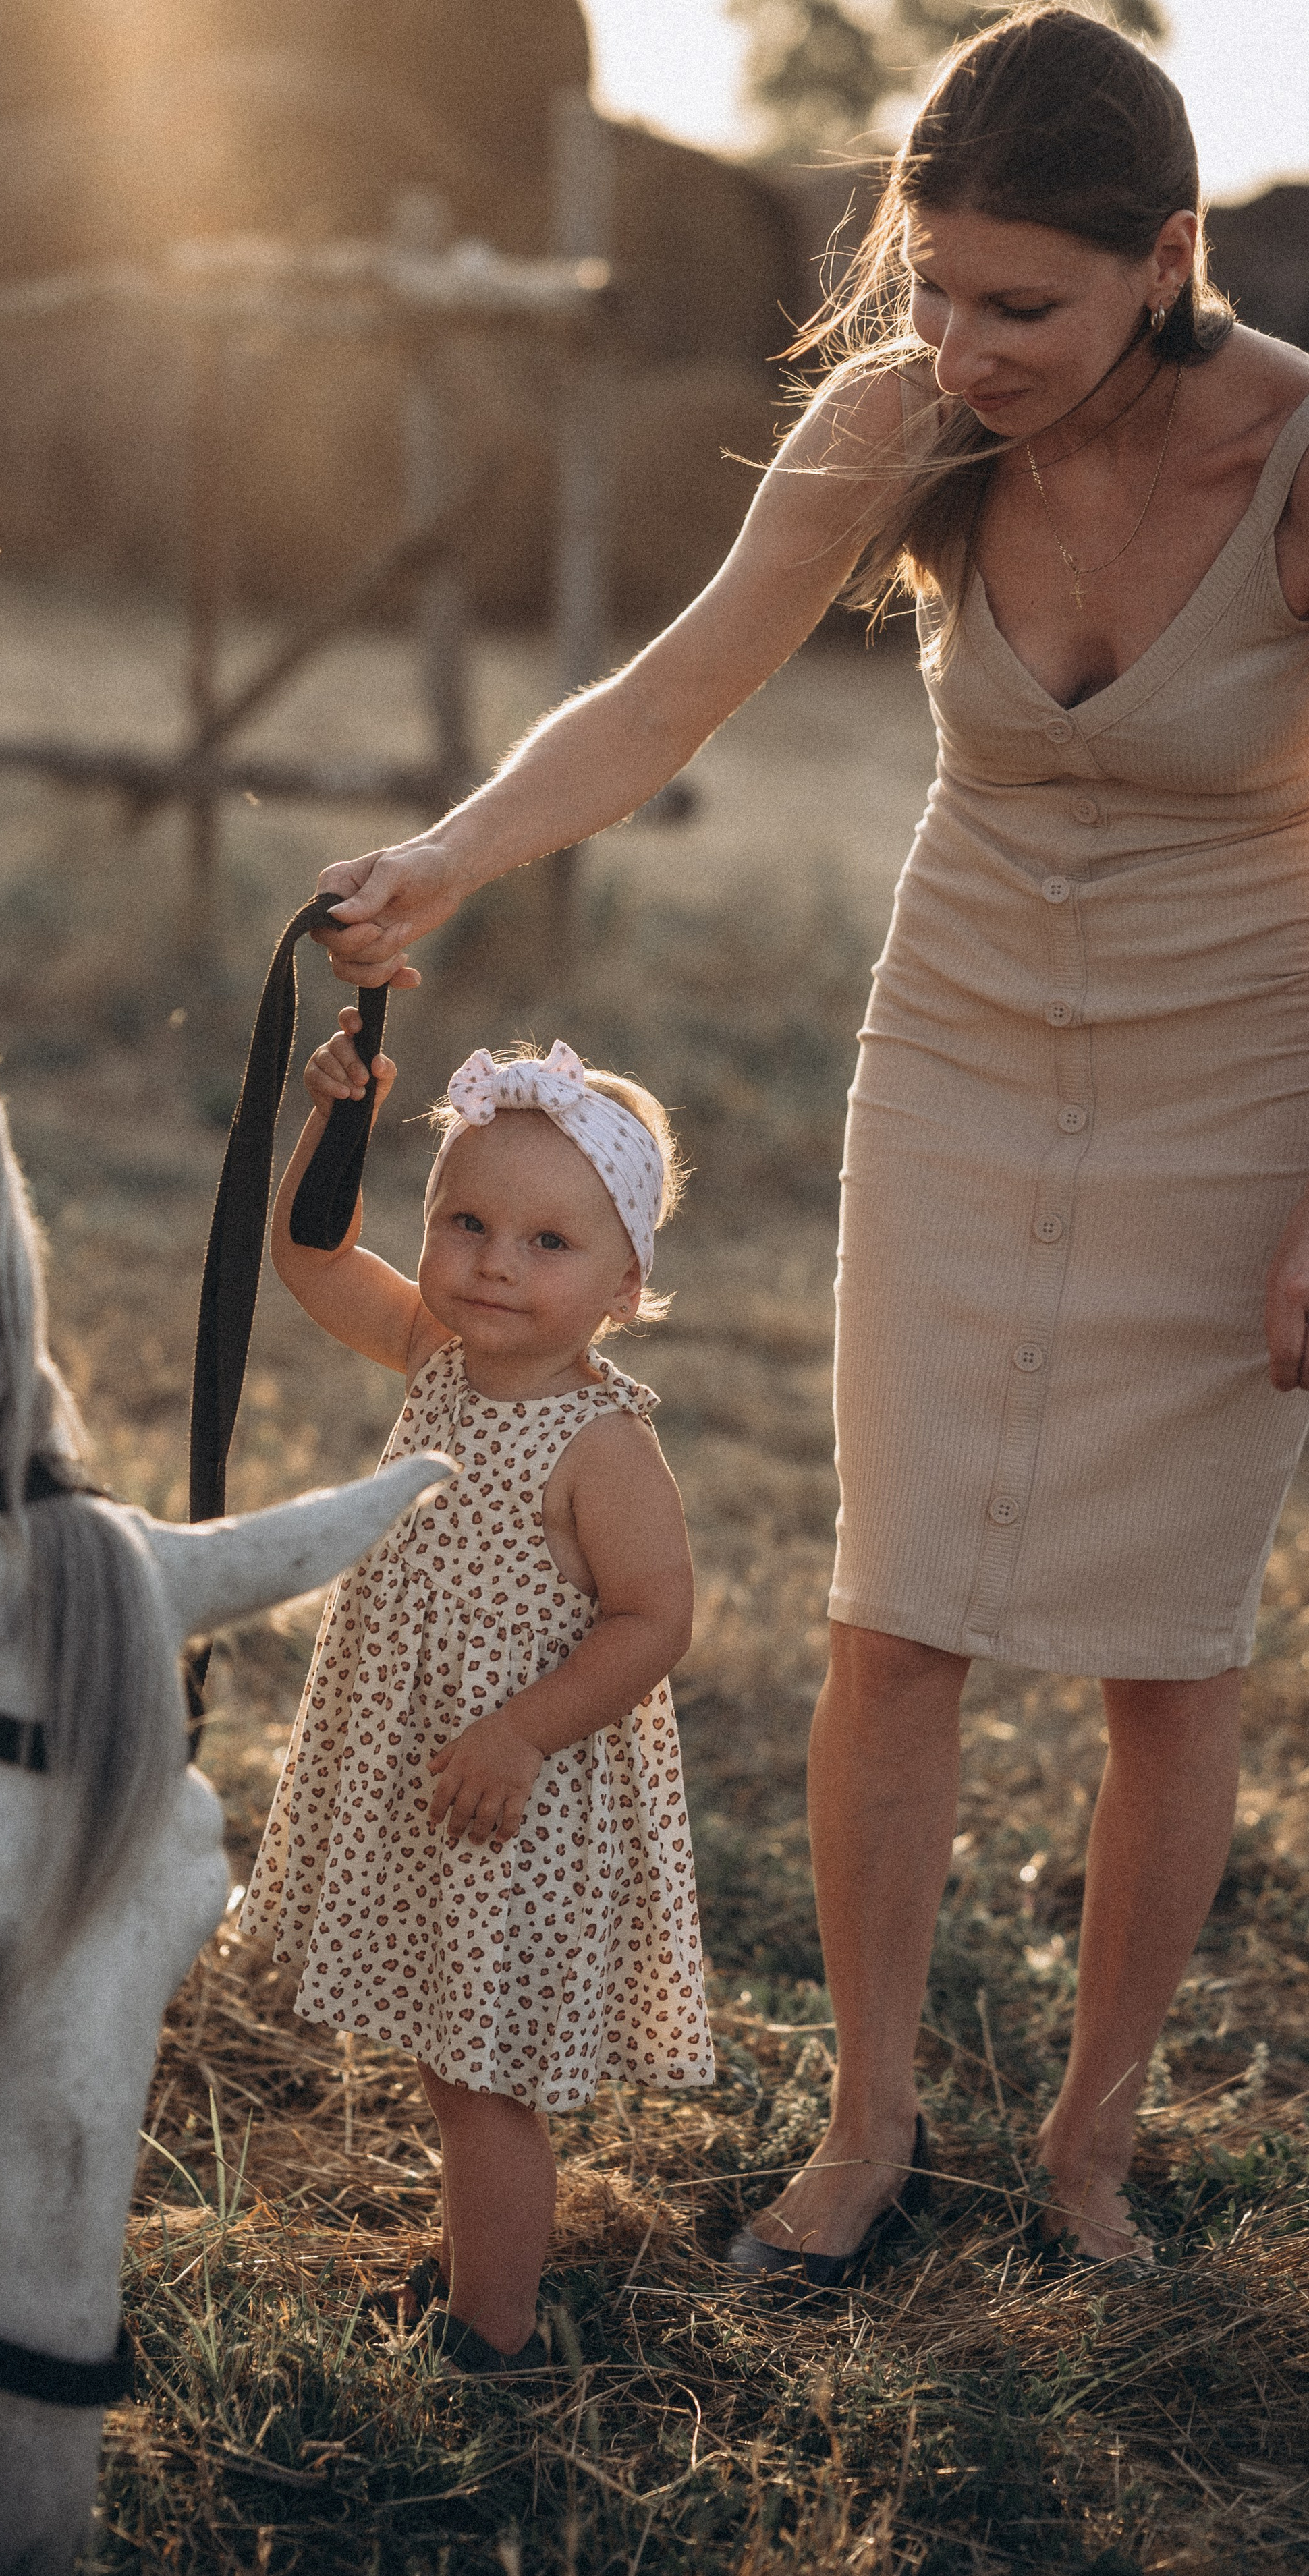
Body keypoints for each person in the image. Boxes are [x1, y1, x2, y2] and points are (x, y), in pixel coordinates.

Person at [302, 4, 1309, 2278]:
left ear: (1170, 256)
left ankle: (1094, 2156)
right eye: (930, 284)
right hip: (955, 1036)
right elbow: (670, 685)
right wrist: (449, 863)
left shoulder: (1299, 457)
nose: (958, 343)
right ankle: (864, 2137)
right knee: (898, 1614)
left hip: (1243, 1064)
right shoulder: (900, 418)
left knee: (1175, 1645)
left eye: (1019, 304)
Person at [237, 1017, 712, 2370]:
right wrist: (334, 1116)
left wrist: (519, 1728)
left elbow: (653, 1616)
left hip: (514, 1796)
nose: (495, 1261)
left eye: (548, 1242)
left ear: (624, 1282)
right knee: (448, 2053)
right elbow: (309, 1254)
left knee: (480, 2076)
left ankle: (490, 2333)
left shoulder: (600, 1441)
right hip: (429, 1774)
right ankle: (471, 2278)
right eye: (466, 1221)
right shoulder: (431, 1353)